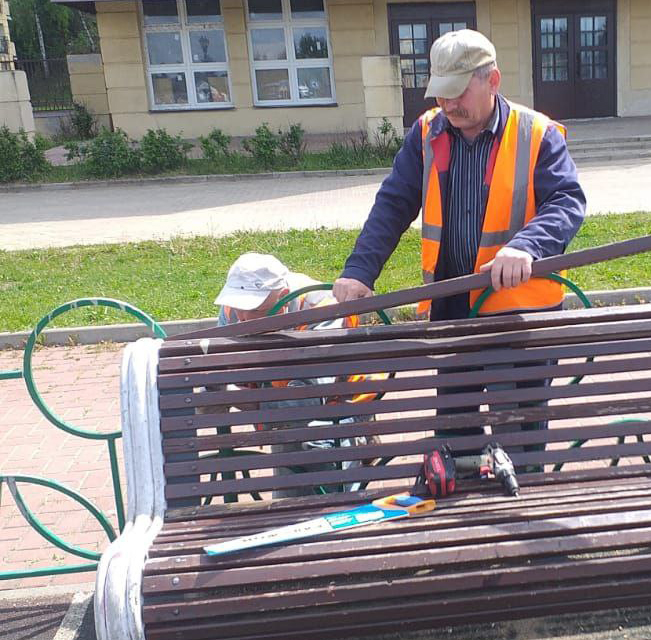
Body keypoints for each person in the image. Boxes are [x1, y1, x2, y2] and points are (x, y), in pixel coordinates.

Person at [332, 29, 586, 462]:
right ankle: (465, 487)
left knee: (520, 442)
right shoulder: (427, 132)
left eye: (458, 92)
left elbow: (566, 201)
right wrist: (360, 270)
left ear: (493, 80)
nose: (448, 105)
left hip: (520, 310)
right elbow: (394, 203)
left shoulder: (537, 134)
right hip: (452, 302)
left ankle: (520, 499)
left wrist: (527, 246)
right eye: (441, 93)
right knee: (455, 433)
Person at [212, 252, 377, 496]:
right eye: (239, 306)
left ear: (283, 296)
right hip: (281, 403)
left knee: (313, 452)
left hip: (338, 407)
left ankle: (360, 441)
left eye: (254, 308)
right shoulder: (233, 310)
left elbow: (305, 403)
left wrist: (231, 395)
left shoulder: (322, 309)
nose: (243, 317)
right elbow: (222, 371)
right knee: (290, 456)